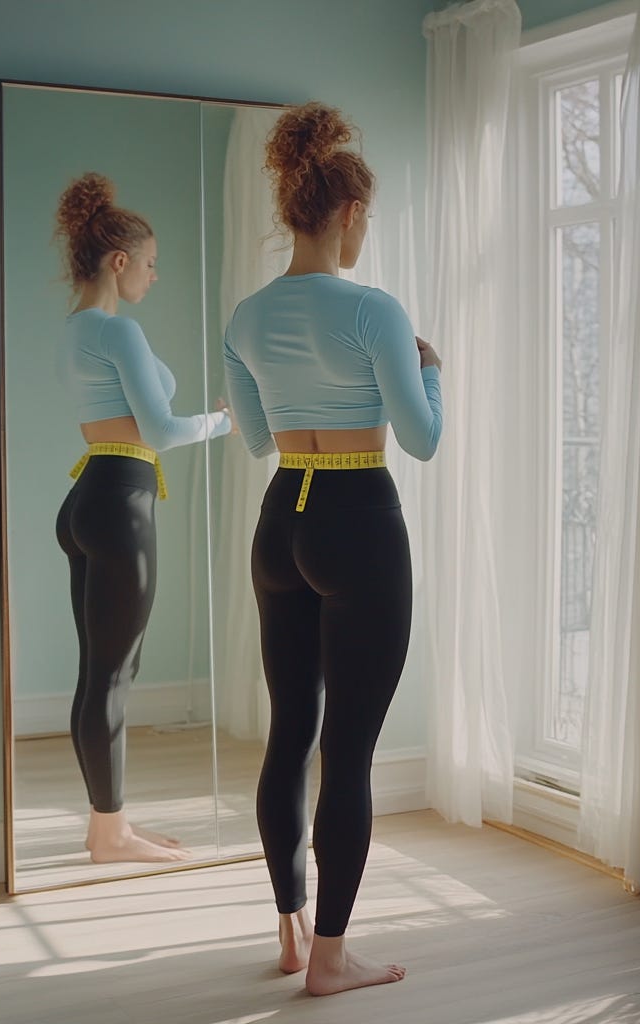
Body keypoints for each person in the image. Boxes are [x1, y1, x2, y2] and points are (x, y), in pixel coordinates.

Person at [223, 102, 443, 996]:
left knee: (290, 737)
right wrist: (430, 368)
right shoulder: (373, 310)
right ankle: (330, 963)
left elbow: (251, 438)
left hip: (283, 519)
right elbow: (421, 439)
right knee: (347, 753)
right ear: (349, 213)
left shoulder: (245, 316)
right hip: (357, 516)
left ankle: (290, 930)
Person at [53, 172, 232, 864]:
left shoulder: (75, 331)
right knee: (113, 675)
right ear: (119, 261)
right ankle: (111, 833)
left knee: (99, 673)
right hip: (120, 498)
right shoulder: (116, 333)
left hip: (88, 497)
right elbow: (158, 430)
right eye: (151, 264)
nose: (155, 277)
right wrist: (225, 421)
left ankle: (110, 825)